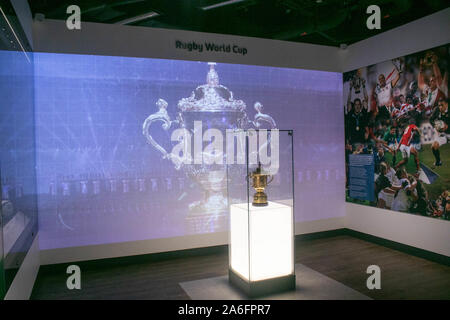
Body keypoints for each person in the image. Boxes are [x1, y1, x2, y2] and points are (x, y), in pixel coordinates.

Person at [429, 98, 449, 167]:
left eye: (442, 105)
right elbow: (430, 119)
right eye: (439, 105)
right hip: (441, 133)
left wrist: (447, 126)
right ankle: (438, 161)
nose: (440, 107)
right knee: (434, 146)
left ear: (446, 104)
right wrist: (435, 126)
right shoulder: (436, 110)